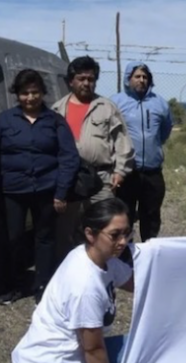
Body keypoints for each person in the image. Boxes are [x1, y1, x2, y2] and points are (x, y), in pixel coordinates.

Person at [0, 198, 135, 363]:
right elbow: (94, 349)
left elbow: (136, 284)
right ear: (90, 233)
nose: (122, 242)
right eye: (115, 235)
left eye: (127, 233)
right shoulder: (85, 285)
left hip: (72, 359)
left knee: (137, 345)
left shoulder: (100, 258)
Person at [0, 69, 80, 305]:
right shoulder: (4, 121)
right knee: (12, 238)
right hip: (12, 191)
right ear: (17, 95)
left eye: (35, 92)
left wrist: (61, 193)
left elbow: (68, 157)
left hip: (46, 190)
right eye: (25, 93)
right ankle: (12, 285)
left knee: (45, 239)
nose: (30, 98)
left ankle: (43, 285)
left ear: (43, 93)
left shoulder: (55, 122)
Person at [53, 56, 134, 260]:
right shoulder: (57, 110)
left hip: (101, 179)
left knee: (106, 226)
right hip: (69, 180)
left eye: (91, 79)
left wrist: (120, 171)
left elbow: (122, 140)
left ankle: (108, 268)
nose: (86, 83)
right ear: (71, 81)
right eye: (81, 78)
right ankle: (69, 269)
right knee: (66, 230)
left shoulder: (106, 107)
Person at [110, 62, 173, 242]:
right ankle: (125, 256)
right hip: (128, 171)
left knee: (151, 216)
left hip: (153, 171)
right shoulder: (116, 102)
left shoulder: (159, 103)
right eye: (137, 76)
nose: (141, 80)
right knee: (125, 214)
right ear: (128, 79)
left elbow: (165, 130)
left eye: (145, 77)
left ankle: (149, 252)